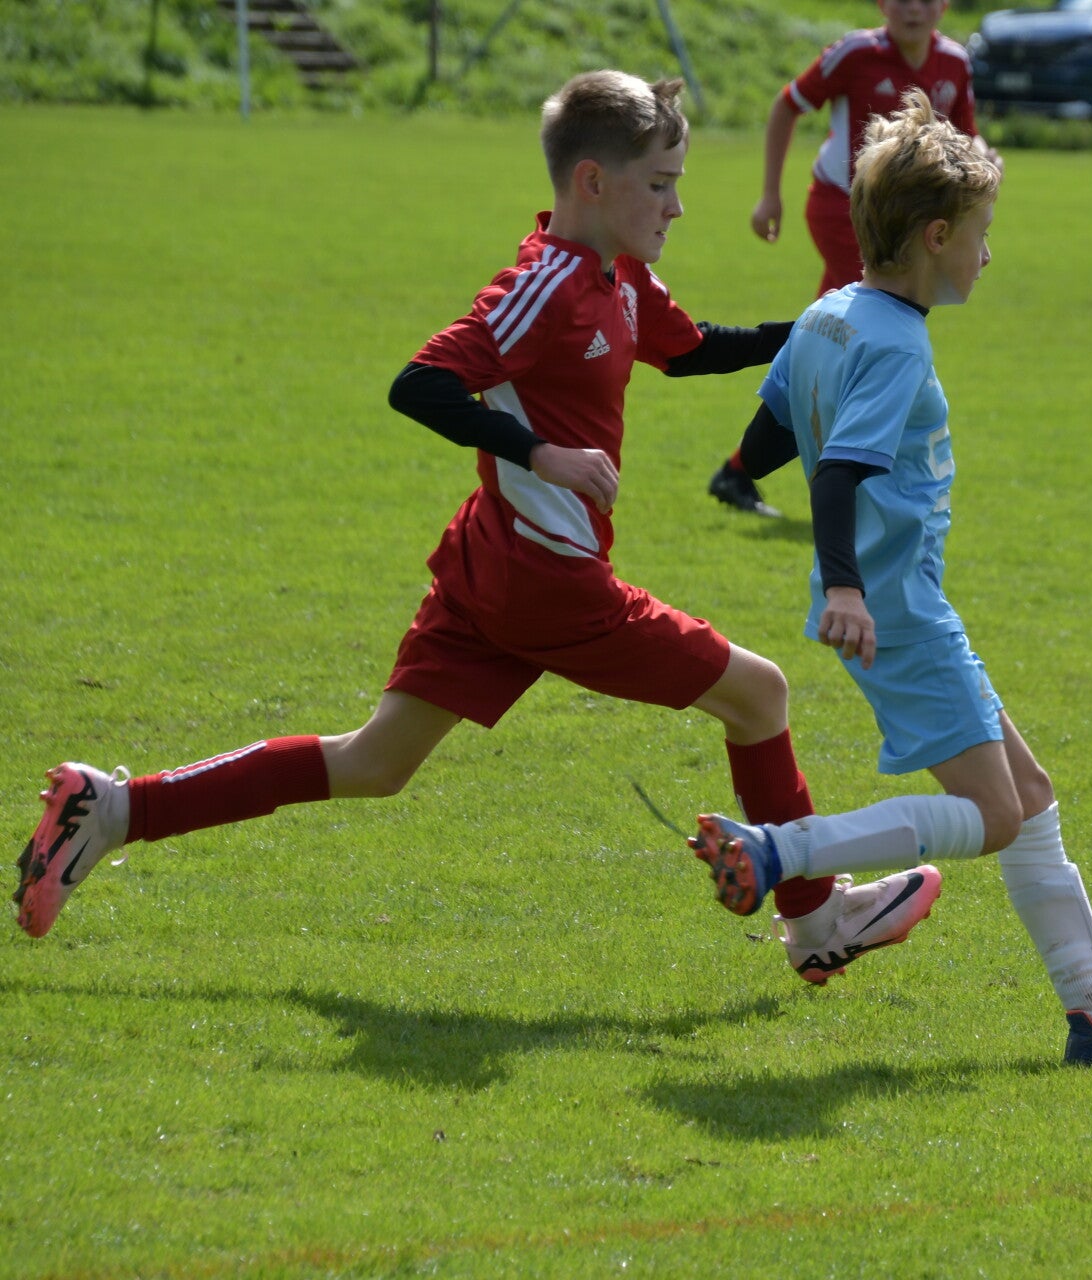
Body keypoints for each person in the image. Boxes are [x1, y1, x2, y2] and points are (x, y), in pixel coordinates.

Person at [13, 71, 942, 979]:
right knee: (760, 694)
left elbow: (693, 349)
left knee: (373, 762)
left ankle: (116, 808)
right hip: (548, 583)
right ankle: (814, 920)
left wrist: (823, 325)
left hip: (491, 565)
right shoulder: (545, 284)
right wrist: (542, 454)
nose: (677, 206)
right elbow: (419, 384)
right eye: (661, 185)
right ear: (593, 180)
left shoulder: (618, 275)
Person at [686, 91, 1092, 1066]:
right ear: (936, 237)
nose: (987, 254)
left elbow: (772, 432)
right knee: (997, 815)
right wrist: (848, 588)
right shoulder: (895, 340)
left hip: (894, 605)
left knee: (1028, 795)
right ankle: (779, 852)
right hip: (897, 613)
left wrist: (832, 558)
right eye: (981, 233)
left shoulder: (830, 314)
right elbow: (837, 470)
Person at [707, 0, 999, 518]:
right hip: (844, 208)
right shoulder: (855, 53)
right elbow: (787, 105)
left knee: (829, 336)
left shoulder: (954, 61)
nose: (914, 8)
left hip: (908, 223)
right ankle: (836, 476)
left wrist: (983, 157)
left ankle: (743, 467)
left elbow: (964, 137)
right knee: (861, 336)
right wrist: (769, 194)